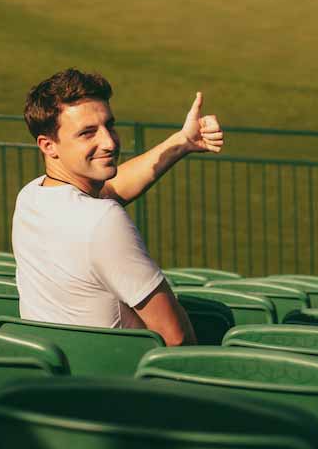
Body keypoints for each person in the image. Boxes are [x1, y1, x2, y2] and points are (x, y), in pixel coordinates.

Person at [11, 68, 225, 345]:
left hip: (58, 377)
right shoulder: (103, 219)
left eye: (109, 126)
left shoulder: (31, 197)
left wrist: (181, 142)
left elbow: (113, 188)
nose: (109, 142)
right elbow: (176, 338)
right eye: (88, 133)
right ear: (49, 145)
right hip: (124, 381)